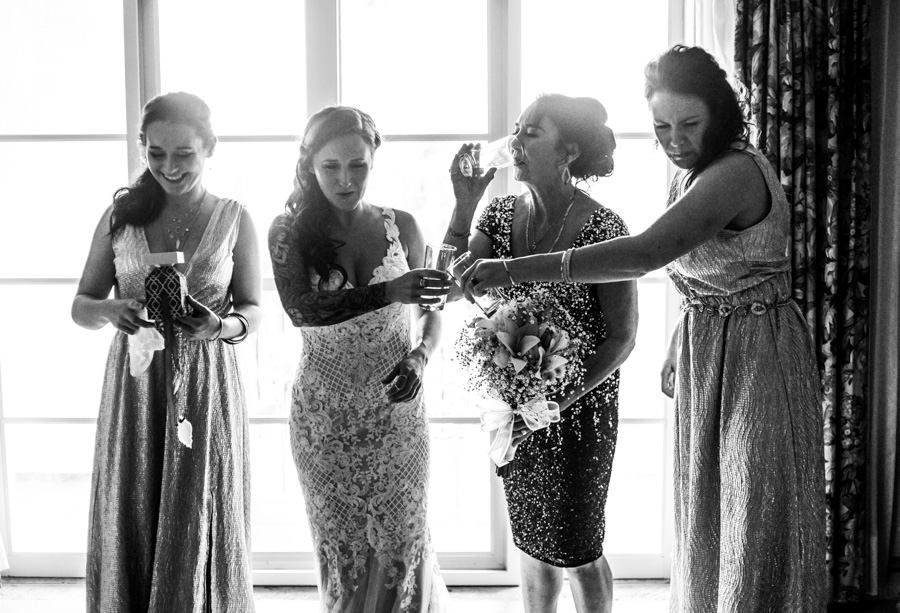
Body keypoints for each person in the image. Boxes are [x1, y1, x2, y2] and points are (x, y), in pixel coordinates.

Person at [463, 45, 827, 612]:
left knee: (752, 512)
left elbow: (646, 254)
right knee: (710, 510)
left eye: (689, 123)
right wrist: (684, 336)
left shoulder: (733, 172)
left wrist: (511, 269)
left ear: (722, 113)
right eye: (661, 125)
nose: (674, 139)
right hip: (713, 351)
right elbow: (718, 274)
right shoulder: (696, 174)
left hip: (757, 357)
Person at [445, 93, 638, 613]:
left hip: (582, 409)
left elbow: (622, 337)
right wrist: (464, 203)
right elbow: (453, 284)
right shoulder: (501, 213)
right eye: (517, 129)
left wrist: (556, 401)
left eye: (532, 132)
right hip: (514, 406)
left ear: (568, 150)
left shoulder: (606, 228)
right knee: (532, 541)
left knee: (577, 545)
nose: (516, 141)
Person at [72, 91, 261, 611]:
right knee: (135, 503)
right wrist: (112, 312)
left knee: (199, 505)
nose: (169, 167)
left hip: (205, 382)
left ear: (210, 147)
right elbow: (80, 305)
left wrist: (221, 325)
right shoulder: (120, 217)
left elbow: (254, 310)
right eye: (156, 154)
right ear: (142, 149)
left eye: (184, 154)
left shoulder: (235, 218)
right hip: (137, 381)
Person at [268, 106, 451, 612]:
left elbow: (432, 311)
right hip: (325, 419)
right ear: (309, 165)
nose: (346, 179)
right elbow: (302, 310)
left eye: (359, 165)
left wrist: (420, 357)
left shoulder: (404, 227)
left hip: (398, 411)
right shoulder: (287, 231)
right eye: (331, 167)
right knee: (342, 549)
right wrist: (389, 290)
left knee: (405, 539)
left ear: (375, 160)